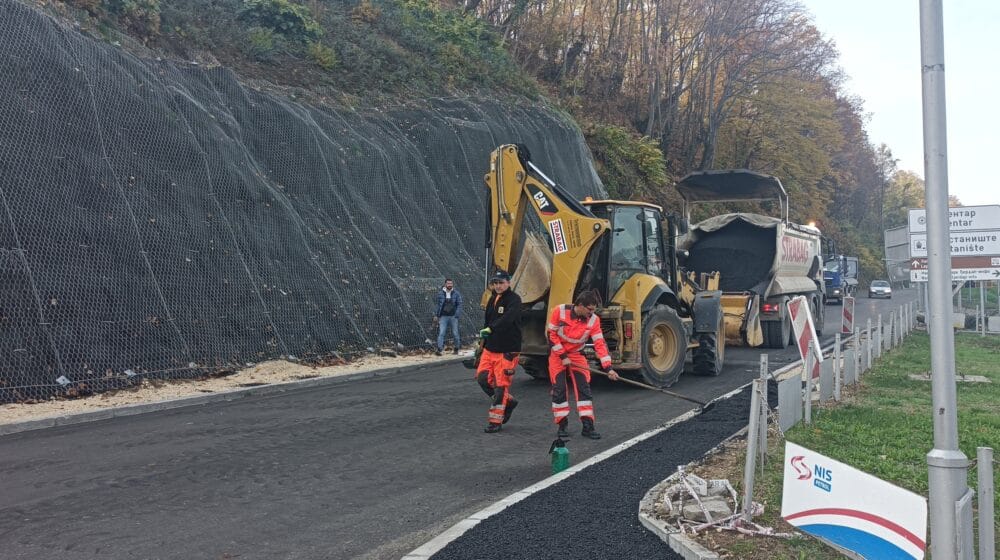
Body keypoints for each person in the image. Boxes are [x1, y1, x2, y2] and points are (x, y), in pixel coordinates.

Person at [547, 291, 619, 439]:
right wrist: (563, 356)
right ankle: (562, 425)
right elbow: (551, 336)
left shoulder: (594, 320)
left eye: (593, 310)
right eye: (590, 309)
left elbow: (600, 345)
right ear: (579, 306)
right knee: (559, 389)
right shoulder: (559, 311)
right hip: (557, 354)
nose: (592, 313)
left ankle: (588, 426)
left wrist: (608, 368)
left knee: (584, 390)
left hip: (577, 355)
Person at [476, 271, 522, 433]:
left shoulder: (514, 300)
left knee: (501, 386)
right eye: (495, 283)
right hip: (490, 348)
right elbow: (487, 321)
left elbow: (508, 319)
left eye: (501, 283)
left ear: (508, 283)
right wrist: (482, 344)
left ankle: (495, 421)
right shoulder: (492, 299)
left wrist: (491, 328)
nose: (498, 286)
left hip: (507, 349)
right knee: (482, 379)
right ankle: (509, 402)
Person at [433, 278, 463, 355]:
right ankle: (439, 349)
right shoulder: (440, 293)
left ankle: (456, 348)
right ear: (445, 284)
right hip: (443, 317)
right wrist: (436, 315)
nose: (450, 285)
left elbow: (459, 304)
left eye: (451, 283)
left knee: (455, 333)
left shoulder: (456, 293)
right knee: (441, 332)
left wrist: (457, 314)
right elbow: (438, 305)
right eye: (448, 283)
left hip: (453, 316)